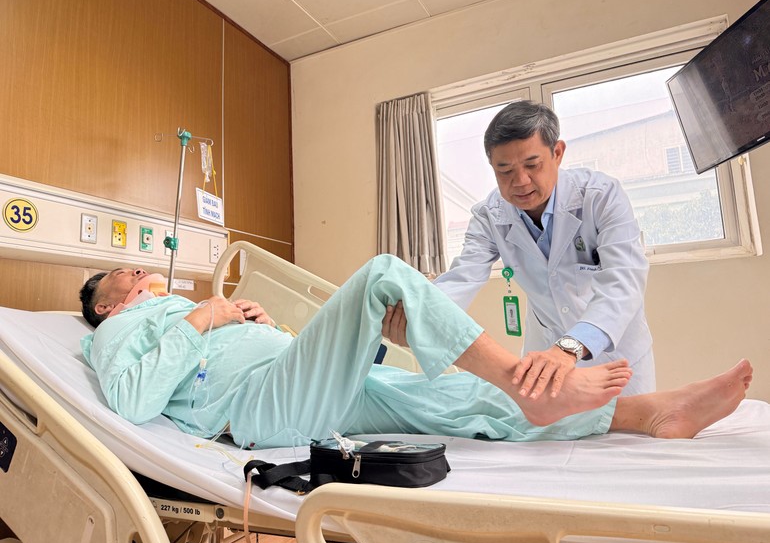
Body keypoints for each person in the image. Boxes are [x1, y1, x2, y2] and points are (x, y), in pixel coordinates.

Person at [79, 255, 752, 450]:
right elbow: (133, 398)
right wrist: (204, 317)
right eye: (122, 275)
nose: (138, 271)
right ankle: (521, 380)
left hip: (298, 385)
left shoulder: (181, 312)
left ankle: (649, 415)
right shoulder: (115, 330)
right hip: (258, 409)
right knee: (383, 275)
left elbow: (213, 353)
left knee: (462, 397)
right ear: (106, 305)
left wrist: (253, 323)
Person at [426, 100, 655, 398]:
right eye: (505, 170)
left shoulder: (600, 197)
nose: (520, 182)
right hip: (544, 357)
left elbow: (624, 282)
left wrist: (569, 348)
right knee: (546, 427)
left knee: (632, 423)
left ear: (557, 153)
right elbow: (462, 278)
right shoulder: (490, 215)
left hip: (615, 355)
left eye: (532, 165)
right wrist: (419, 314)